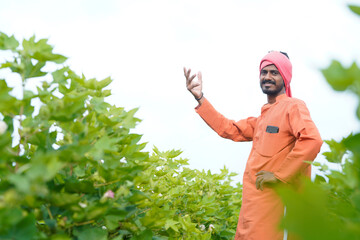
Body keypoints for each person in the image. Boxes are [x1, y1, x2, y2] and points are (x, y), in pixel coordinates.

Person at [183, 51, 323, 240]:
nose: (267, 77)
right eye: (264, 72)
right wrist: (200, 98)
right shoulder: (262, 118)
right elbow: (228, 128)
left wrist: (280, 176)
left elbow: (312, 140)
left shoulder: (293, 106)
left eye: (274, 72)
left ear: (285, 77)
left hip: (271, 207)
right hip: (252, 206)